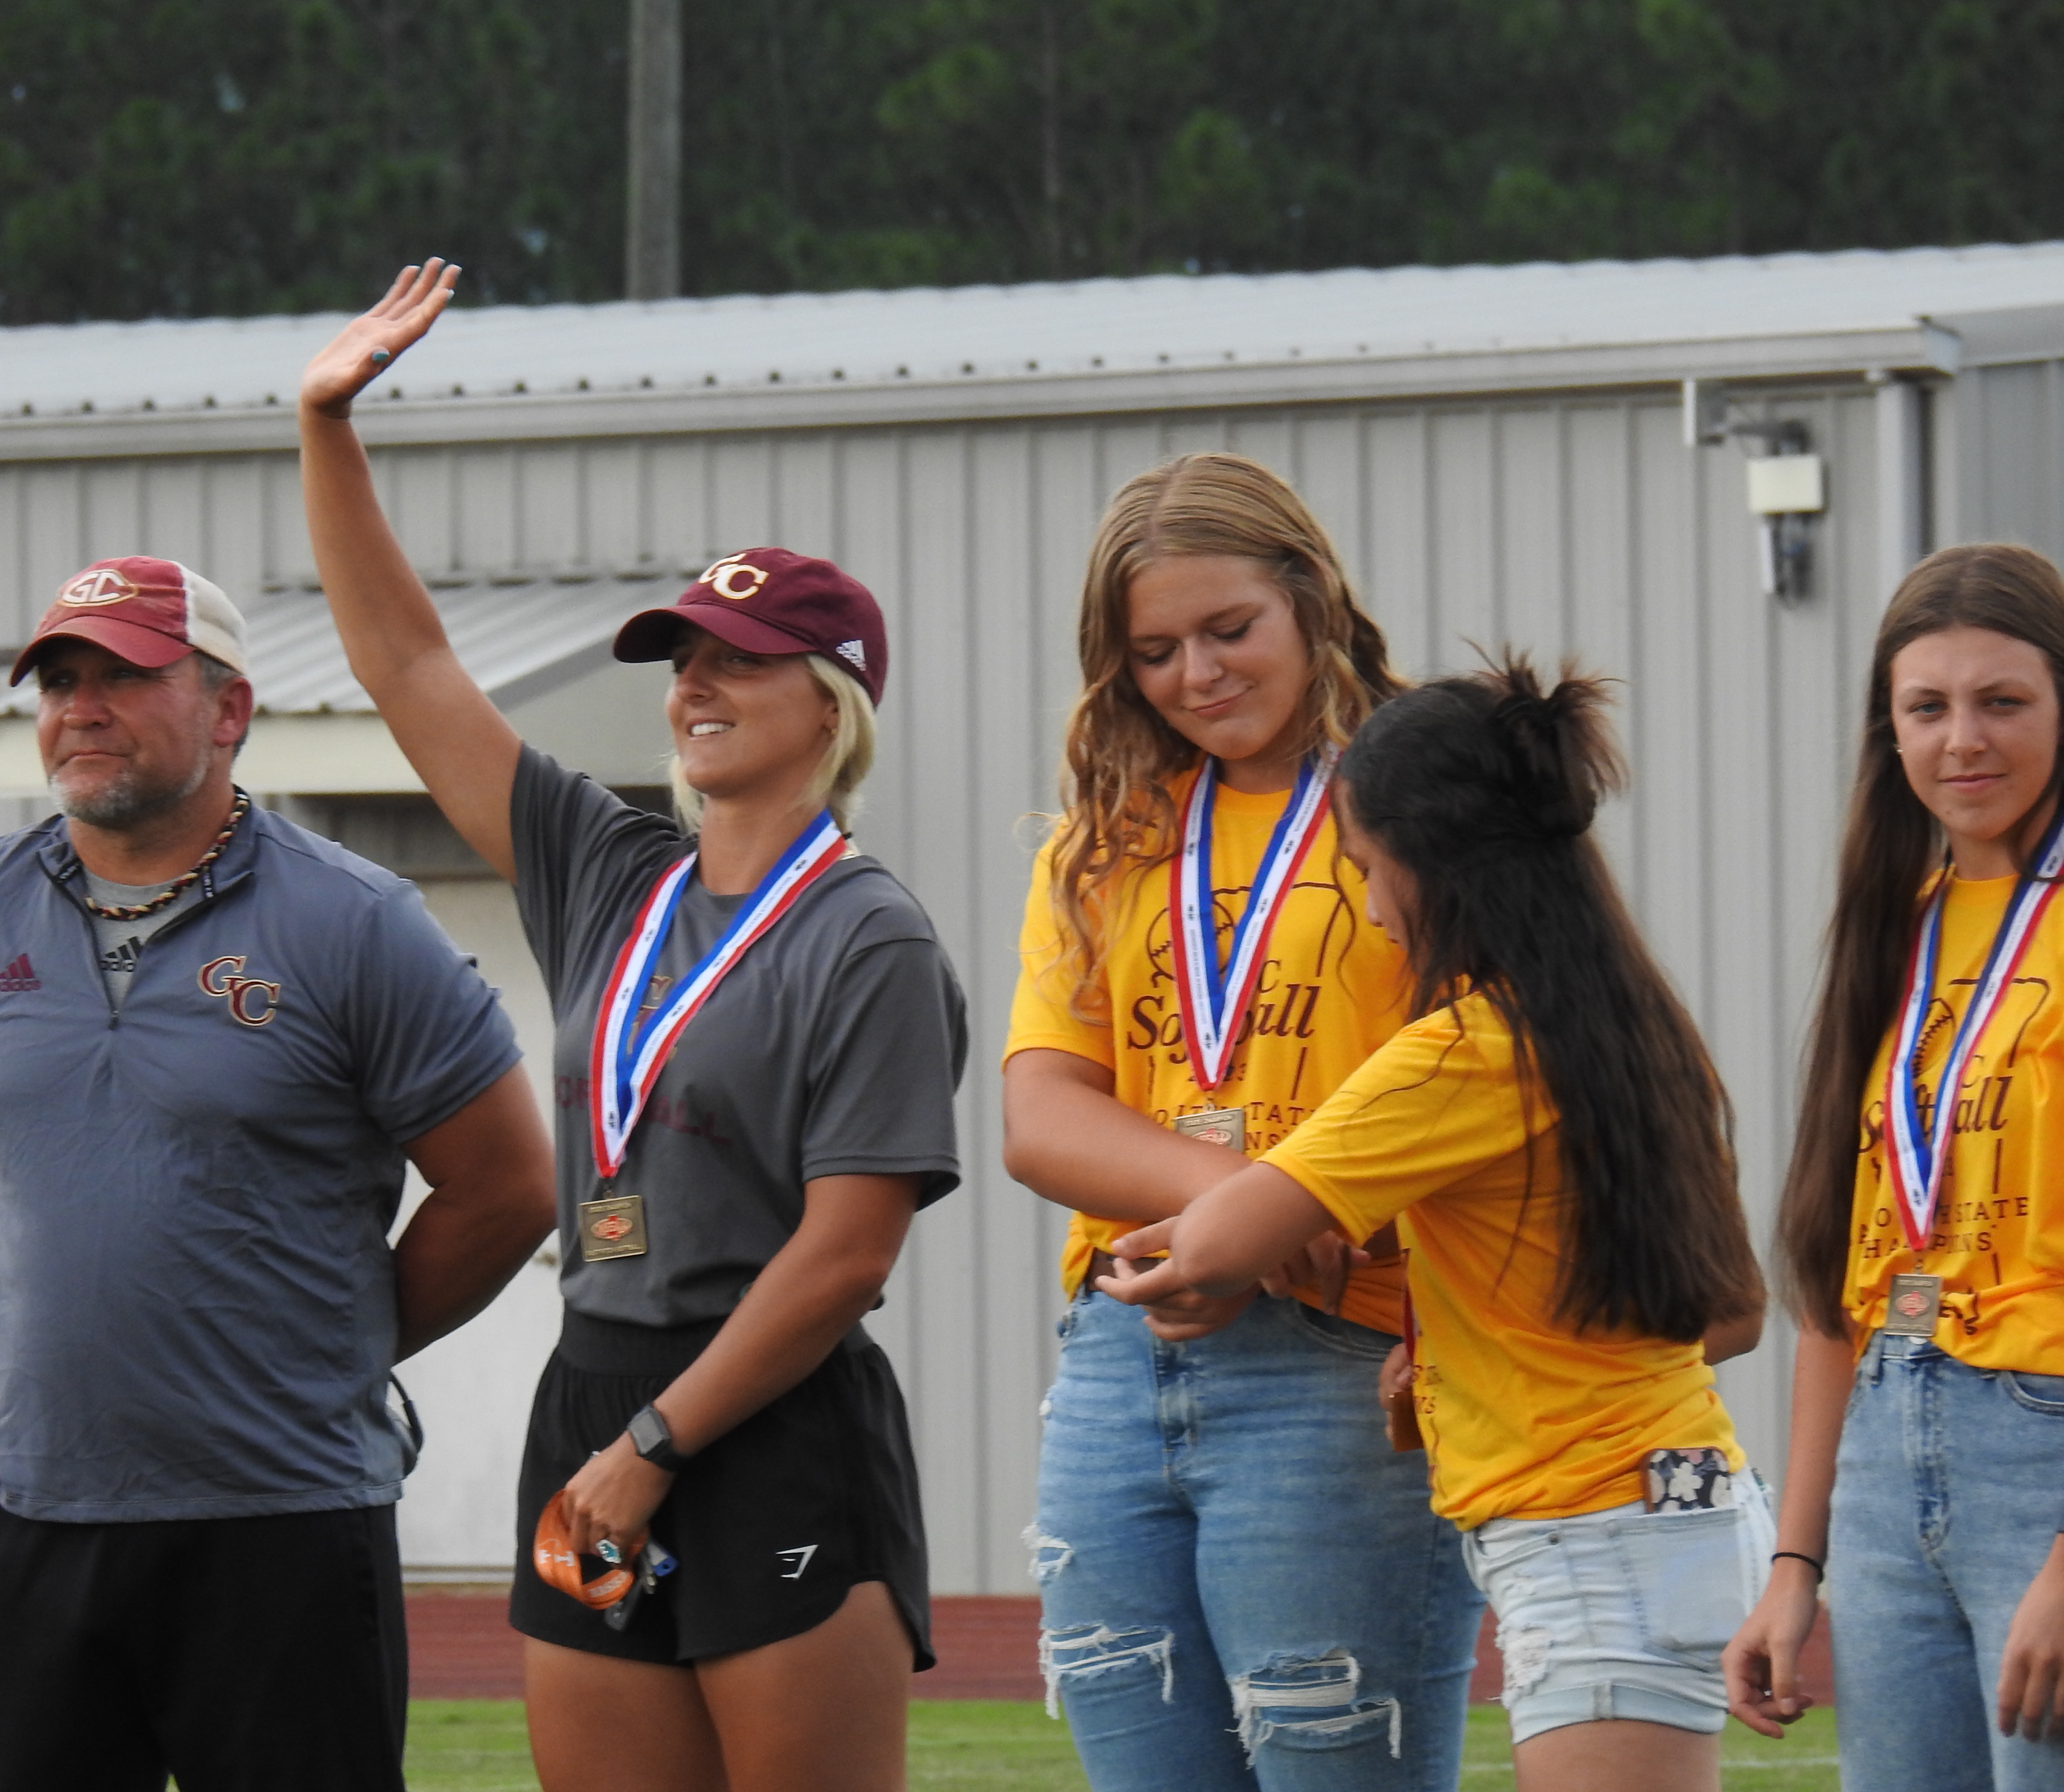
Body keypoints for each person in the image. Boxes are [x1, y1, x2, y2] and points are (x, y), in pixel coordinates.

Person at [297, 260, 967, 1792]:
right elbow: (407, 668)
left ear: (834, 701)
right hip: (591, 1387)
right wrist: (326, 427)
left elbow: (847, 1252)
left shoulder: (868, 932)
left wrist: (657, 1449)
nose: (697, 685)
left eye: (739, 659)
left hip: (762, 1416)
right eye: (685, 660)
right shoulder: (613, 874)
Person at [0, 555, 557, 1792]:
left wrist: (337, 1339)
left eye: (126, 676)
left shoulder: (354, 921)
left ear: (229, 710)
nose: (82, 706)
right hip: (24, 1519)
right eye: (61, 679)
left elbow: (508, 1188)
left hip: (280, 1525)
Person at [1102, 658, 1770, 1792]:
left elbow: (1209, 1246)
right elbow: (1731, 1313)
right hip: (1675, 1500)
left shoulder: (1464, 1051)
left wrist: (1141, 1255)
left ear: (1431, 861)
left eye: (1366, 869)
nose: (1367, 905)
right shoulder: (1638, 1025)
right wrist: (1465, 1359)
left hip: (1589, 1536)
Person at [1000, 452, 1483, 1790]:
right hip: (1122, 1347)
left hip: (1348, 1352)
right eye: (1154, 650)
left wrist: (1273, 1219)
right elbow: (1040, 1118)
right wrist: (1260, 1214)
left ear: (1312, 599)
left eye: (1231, 630)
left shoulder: (1434, 808)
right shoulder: (1102, 838)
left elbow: (1498, 1085)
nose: (1197, 676)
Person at [1725, 542, 2064, 1787]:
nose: (1961, 742)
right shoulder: (1901, 922)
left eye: (2003, 703)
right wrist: (1794, 1566)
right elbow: (1845, 1271)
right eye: (1925, 708)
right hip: (1884, 1448)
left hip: (2052, 1451)